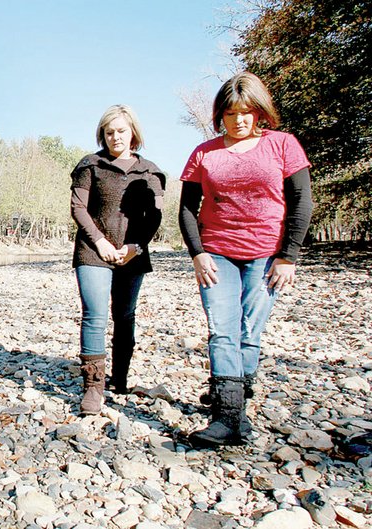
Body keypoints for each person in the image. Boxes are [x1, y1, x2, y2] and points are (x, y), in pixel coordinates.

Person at [178, 71, 313, 446]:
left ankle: (238, 406)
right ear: (220, 114)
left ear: (260, 112)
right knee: (223, 329)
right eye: (231, 113)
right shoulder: (204, 153)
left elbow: (302, 201)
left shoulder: (283, 145)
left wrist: (289, 256)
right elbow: (188, 209)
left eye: (247, 112)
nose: (239, 120)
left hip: (267, 254)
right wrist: (198, 253)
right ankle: (227, 419)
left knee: (249, 332)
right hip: (217, 251)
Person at [70, 104, 165, 415]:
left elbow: (154, 216)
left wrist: (135, 246)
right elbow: (78, 208)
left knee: (124, 315)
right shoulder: (90, 165)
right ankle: (93, 388)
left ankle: (120, 380)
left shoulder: (150, 171)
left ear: (133, 132)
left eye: (121, 130)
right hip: (92, 251)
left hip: (133, 254)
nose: (115, 137)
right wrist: (99, 241)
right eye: (109, 132)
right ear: (102, 134)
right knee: (94, 316)